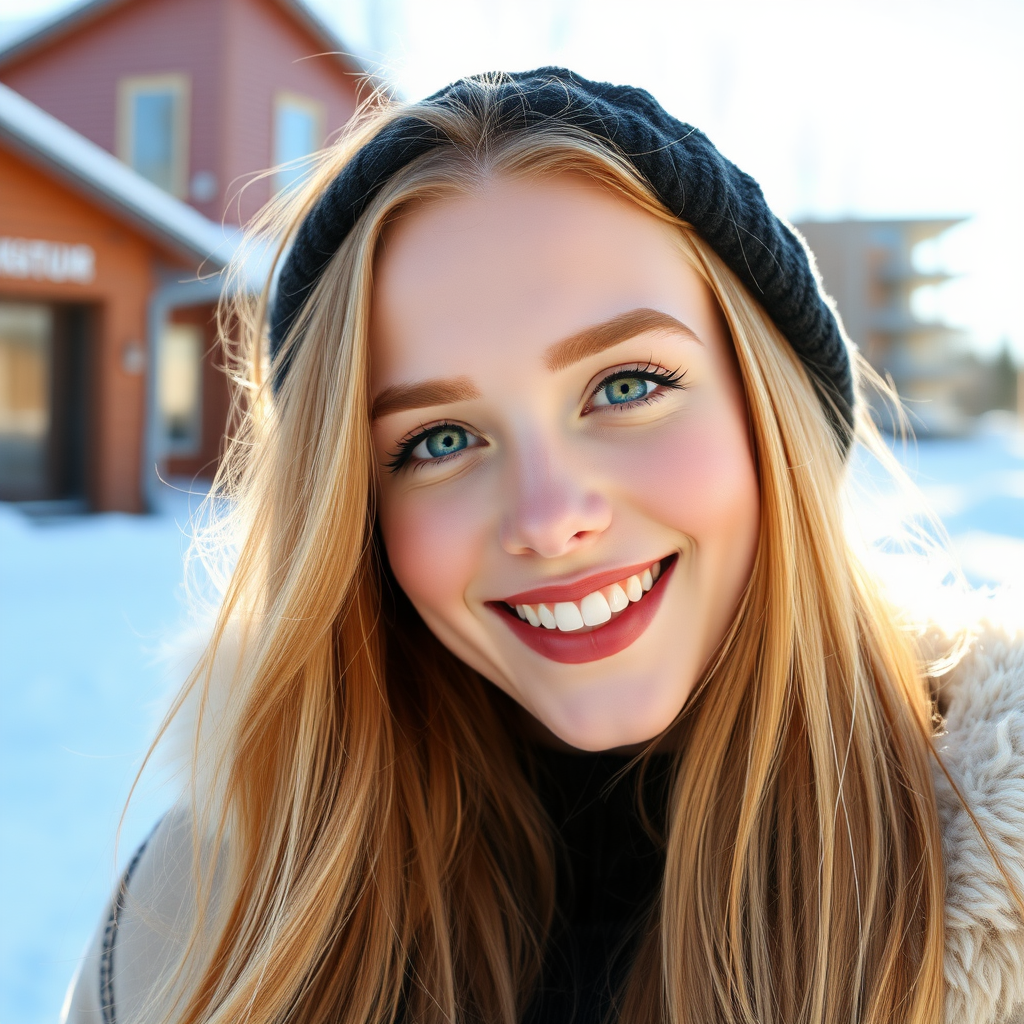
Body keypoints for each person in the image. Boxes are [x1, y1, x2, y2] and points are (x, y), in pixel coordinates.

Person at [63, 68, 1024, 1024]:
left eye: (628, 385)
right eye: (439, 440)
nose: (549, 516)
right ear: (351, 517)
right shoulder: (187, 933)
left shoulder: (1002, 878)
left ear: (771, 412)